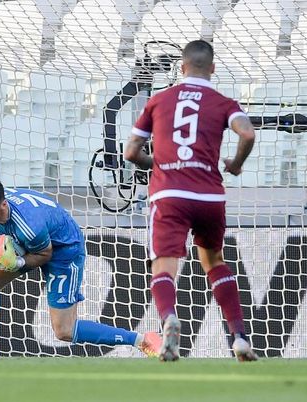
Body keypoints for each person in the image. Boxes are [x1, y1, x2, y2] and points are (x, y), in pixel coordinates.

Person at [124, 40, 258, 362]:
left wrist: (155, 163)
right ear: (212, 68)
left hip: (169, 194)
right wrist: (236, 164)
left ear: (182, 68)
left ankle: (169, 317)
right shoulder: (224, 102)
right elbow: (248, 133)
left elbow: (130, 152)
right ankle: (239, 338)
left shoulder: (158, 101)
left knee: (164, 268)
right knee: (215, 263)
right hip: (209, 196)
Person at [0, 178, 161, 358]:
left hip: (64, 250)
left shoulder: (29, 225)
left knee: (64, 331)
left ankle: (142, 340)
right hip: (31, 241)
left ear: (3, 205)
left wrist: (16, 262)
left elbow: (44, 255)